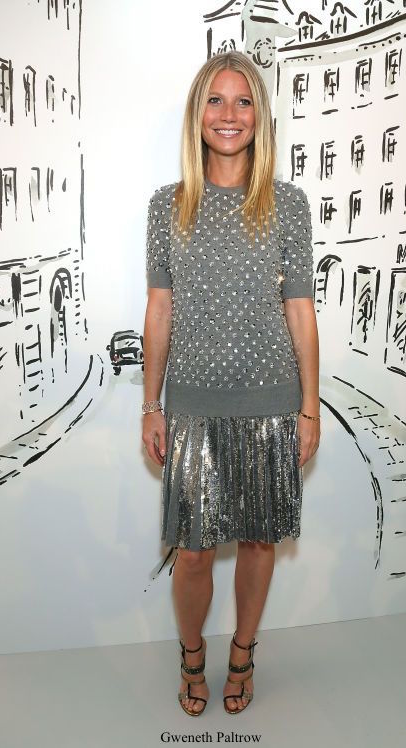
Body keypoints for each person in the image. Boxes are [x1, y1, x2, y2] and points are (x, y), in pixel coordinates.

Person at [142, 51, 320, 717]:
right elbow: (159, 309)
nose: (228, 114)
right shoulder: (168, 206)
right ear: (198, 114)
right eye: (214, 100)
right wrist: (150, 405)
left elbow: (300, 310)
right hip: (192, 405)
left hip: (271, 402)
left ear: (259, 116)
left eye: (243, 101)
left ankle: (243, 652)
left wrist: (309, 408)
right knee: (192, 554)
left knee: (258, 541)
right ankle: (192, 655)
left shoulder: (287, 203)